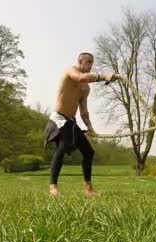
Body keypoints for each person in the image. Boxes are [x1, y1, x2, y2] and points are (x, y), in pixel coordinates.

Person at [44, 51, 121, 197]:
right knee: (63, 146)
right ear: (80, 62)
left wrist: (90, 127)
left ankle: (88, 189)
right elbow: (80, 77)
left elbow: (83, 110)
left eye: (92, 63)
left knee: (89, 152)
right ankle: (53, 188)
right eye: (88, 62)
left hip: (71, 122)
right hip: (58, 119)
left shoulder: (86, 88)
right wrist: (103, 76)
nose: (91, 65)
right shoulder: (70, 71)